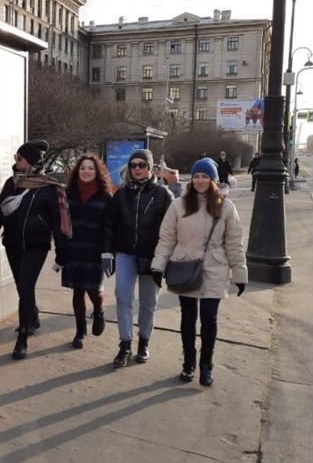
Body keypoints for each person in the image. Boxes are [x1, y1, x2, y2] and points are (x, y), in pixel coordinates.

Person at [151, 157, 247, 386]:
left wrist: (240, 273)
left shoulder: (225, 207)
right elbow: (167, 238)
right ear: (191, 179)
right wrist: (158, 266)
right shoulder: (178, 205)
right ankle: (188, 364)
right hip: (185, 268)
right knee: (188, 318)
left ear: (213, 179)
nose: (200, 180)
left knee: (209, 319)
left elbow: (234, 243)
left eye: (205, 176)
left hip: (215, 269)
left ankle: (206, 365)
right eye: (196, 176)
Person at [0, 139, 71, 360]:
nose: (16, 161)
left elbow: (58, 223)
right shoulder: (11, 183)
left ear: (30, 162)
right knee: (24, 289)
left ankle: (22, 339)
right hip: (12, 243)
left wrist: (62, 252)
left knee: (25, 285)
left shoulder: (49, 188)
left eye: (19, 158)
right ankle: (33, 317)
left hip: (37, 245)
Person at [102, 148, 172, 368]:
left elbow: (171, 229)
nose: (137, 169)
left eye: (142, 165)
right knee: (123, 297)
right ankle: (125, 344)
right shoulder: (121, 194)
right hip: (125, 253)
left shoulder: (162, 195)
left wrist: (165, 259)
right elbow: (108, 225)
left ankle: (144, 341)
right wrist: (106, 252)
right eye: (134, 165)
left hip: (152, 255)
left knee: (149, 301)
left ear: (150, 168)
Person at [54, 153, 113, 349]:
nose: (86, 171)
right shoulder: (67, 194)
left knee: (94, 290)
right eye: (82, 168)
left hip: (95, 251)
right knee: (77, 291)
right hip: (74, 249)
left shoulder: (106, 196)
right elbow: (61, 223)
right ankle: (81, 331)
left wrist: (107, 253)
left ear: (97, 172)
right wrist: (61, 251)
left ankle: (99, 311)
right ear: (77, 171)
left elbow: (109, 227)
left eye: (90, 168)